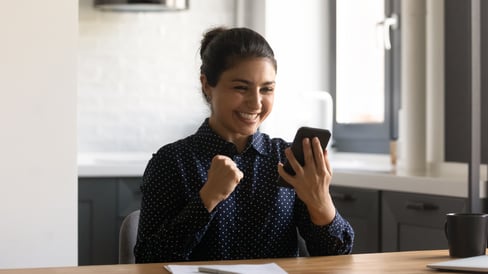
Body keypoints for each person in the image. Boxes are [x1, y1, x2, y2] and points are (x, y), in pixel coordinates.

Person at [134, 26, 354, 263]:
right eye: (241, 88)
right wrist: (207, 198)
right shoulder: (171, 162)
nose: (256, 102)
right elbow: (147, 261)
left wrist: (321, 202)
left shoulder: (288, 159)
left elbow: (336, 257)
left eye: (266, 89)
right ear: (207, 84)